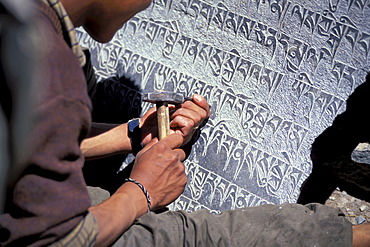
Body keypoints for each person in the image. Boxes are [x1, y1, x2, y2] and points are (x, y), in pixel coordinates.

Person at [0, 0, 369, 246]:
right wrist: (140, 193)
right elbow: (55, 240)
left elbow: (32, 144)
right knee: (199, 235)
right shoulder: (49, 70)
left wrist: (132, 135)